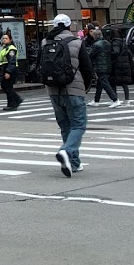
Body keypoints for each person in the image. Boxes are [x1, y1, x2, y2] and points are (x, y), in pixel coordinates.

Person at [43, 16, 88, 177]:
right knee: (78, 125)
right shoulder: (77, 42)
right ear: (69, 26)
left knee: (65, 126)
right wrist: (86, 87)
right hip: (73, 89)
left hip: (53, 90)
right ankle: (66, 151)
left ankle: (74, 163)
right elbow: (87, 68)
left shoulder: (46, 42)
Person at [87, 29, 115, 105]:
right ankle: (96, 100)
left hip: (100, 66)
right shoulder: (107, 43)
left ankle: (115, 99)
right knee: (99, 84)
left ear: (95, 36)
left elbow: (90, 55)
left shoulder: (96, 45)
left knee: (105, 83)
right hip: (107, 65)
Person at [0, 32, 22, 110]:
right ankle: (14, 101)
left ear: (10, 40)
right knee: (5, 86)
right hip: (5, 68)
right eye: (3, 38)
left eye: (6, 38)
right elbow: (3, 60)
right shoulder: (4, 48)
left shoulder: (11, 49)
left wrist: (8, 72)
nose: (4, 40)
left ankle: (13, 103)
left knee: (8, 87)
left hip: (11, 69)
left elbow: (12, 61)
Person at [108, 32, 134, 106]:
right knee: (124, 83)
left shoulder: (115, 42)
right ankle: (127, 100)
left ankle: (115, 99)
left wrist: (110, 55)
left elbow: (116, 52)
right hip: (125, 64)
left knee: (113, 81)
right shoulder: (123, 42)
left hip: (117, 64)